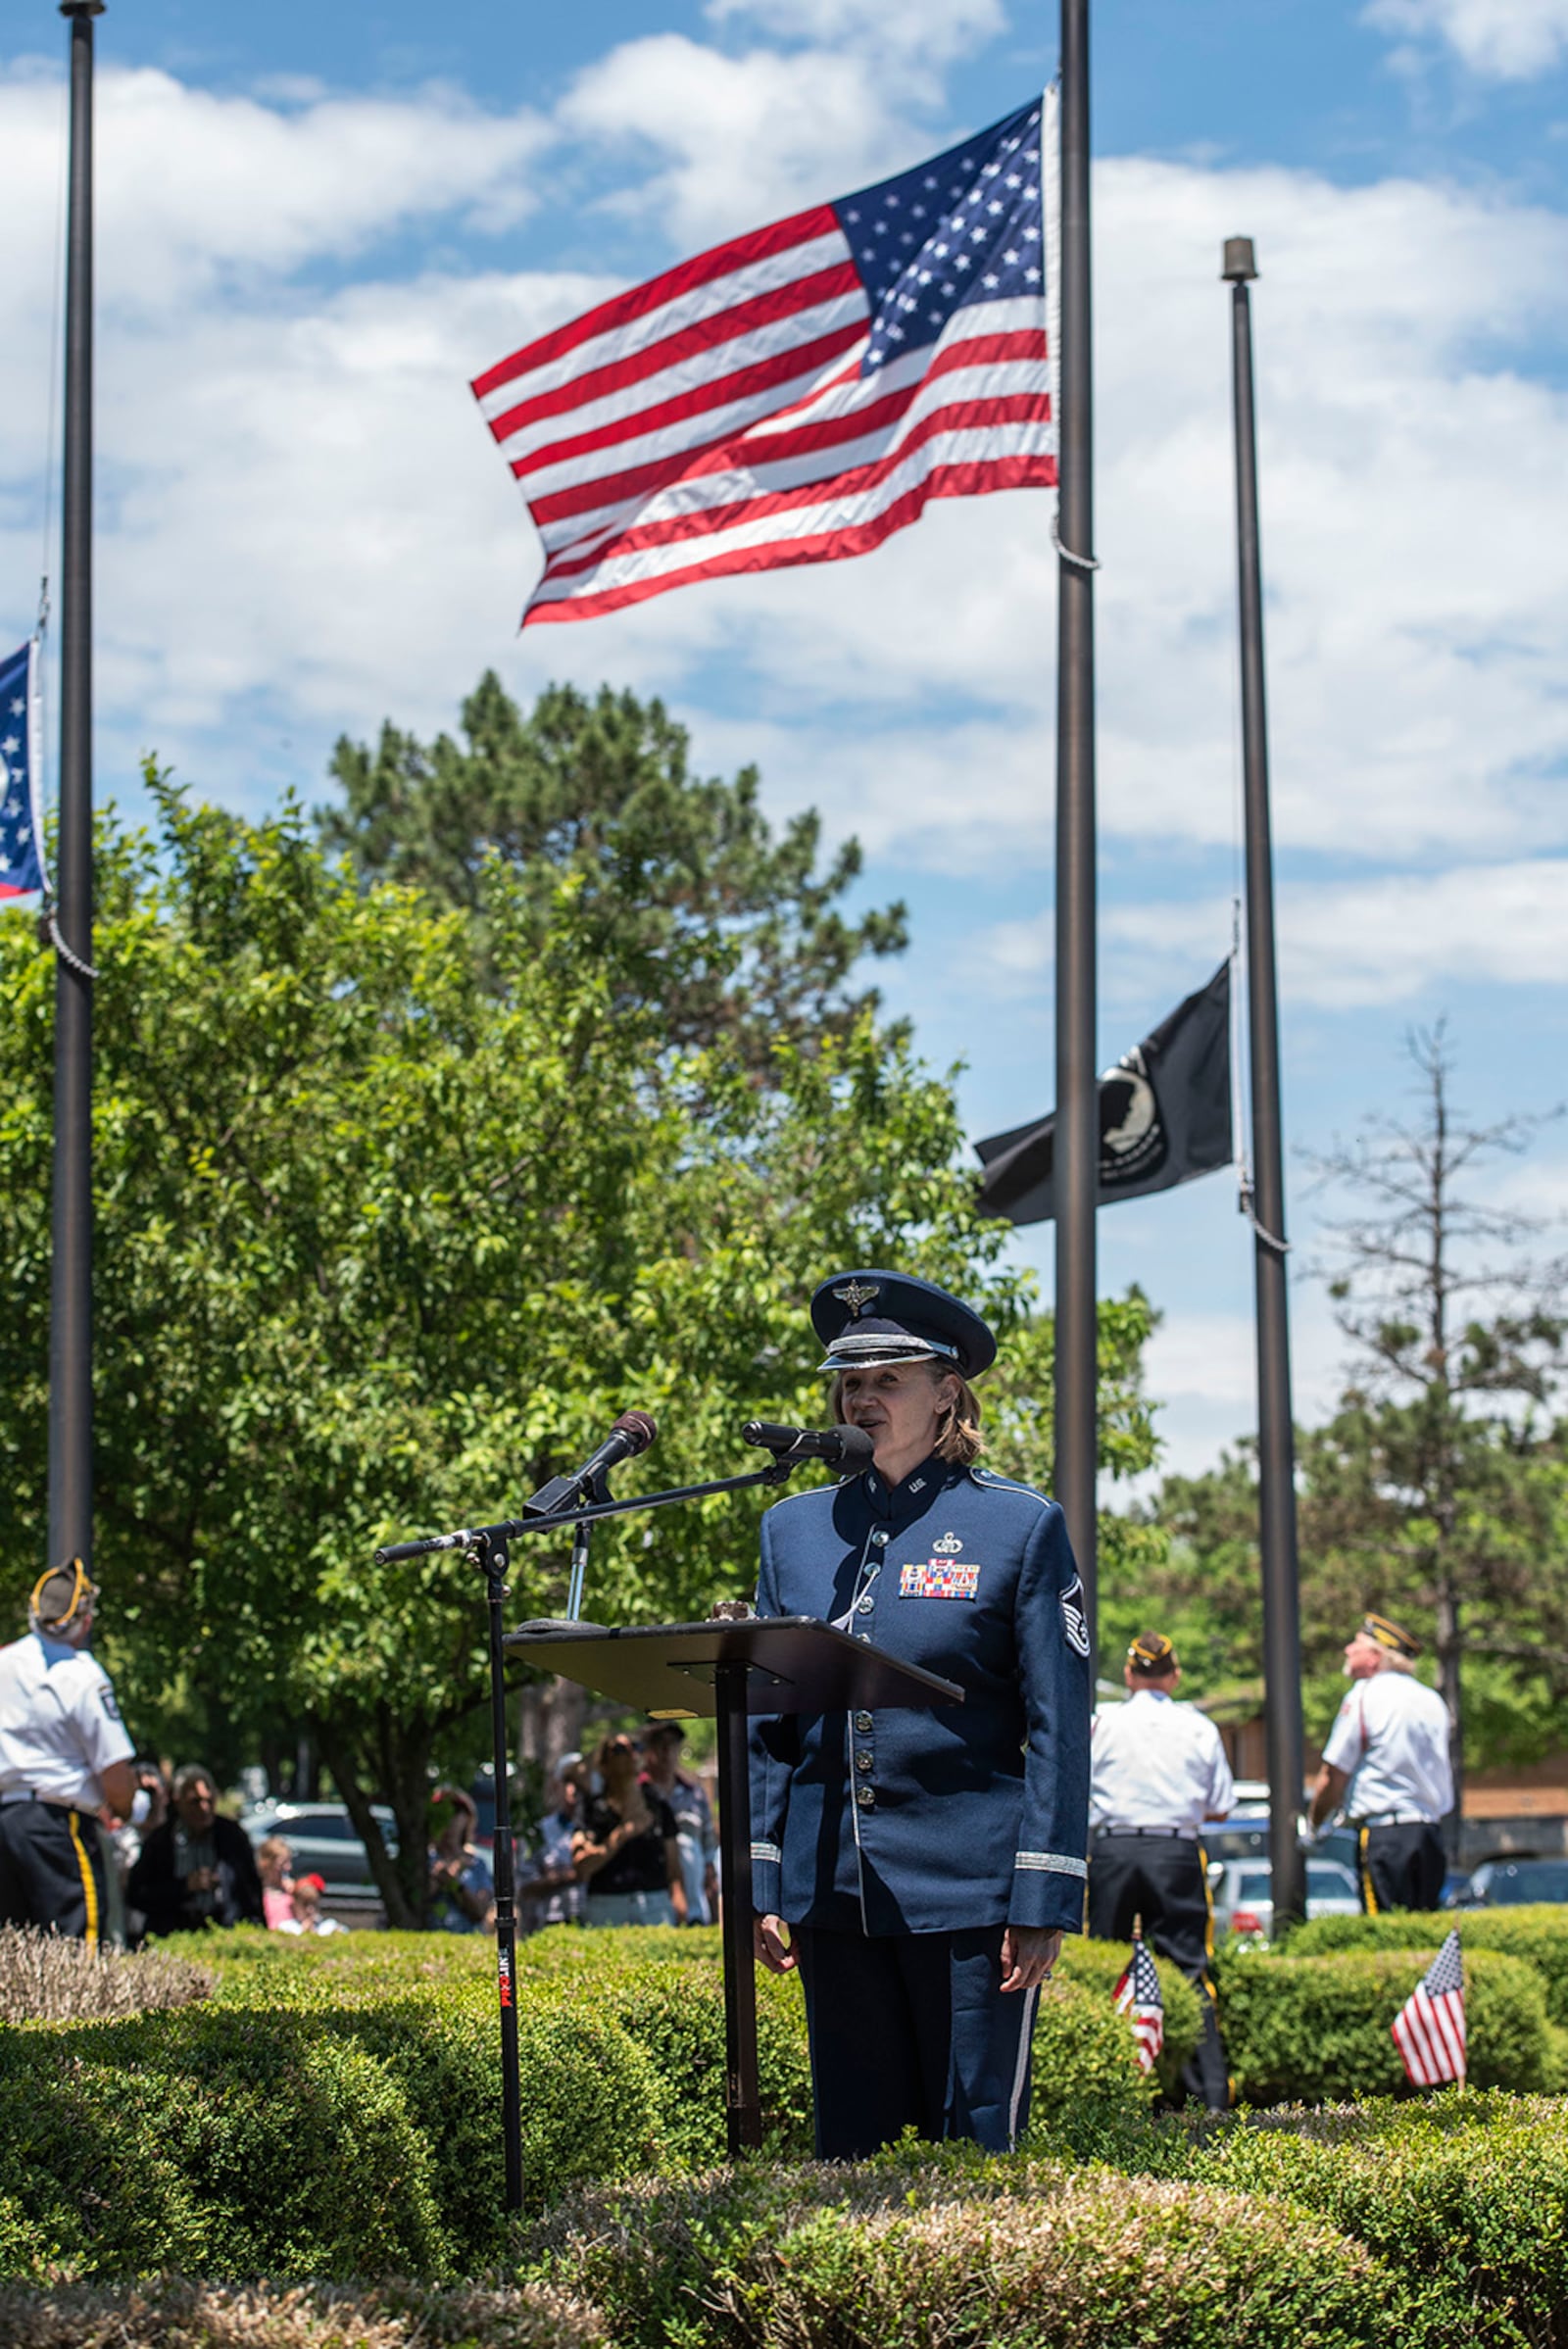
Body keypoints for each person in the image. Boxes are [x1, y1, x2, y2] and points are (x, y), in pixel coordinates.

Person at [751, 1269, 1091, 2161]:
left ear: (947, 1394)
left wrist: (1044, 1890)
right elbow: (767, 1728)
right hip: (833, 1895)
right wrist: (758, 1875)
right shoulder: (791, 1530)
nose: (862, 1398)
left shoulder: (1019, 1526)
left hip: (972, 1900)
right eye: (850, 1382)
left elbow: (1060, 1721)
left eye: (887, 1379)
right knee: (849, 2155)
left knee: (973, 2152)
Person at [1087, 1632, 1234, 2110]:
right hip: (1175, 1852)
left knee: (1106, 1965)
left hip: (1114, 1850)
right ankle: (1209, 2098)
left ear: (1129, 1675)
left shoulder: (1102, 1722)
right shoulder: (1198, 1726)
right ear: (1174, 1675)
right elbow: (1221, 1807)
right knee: (1189, 1970)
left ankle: (1105, 2095)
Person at [0, 1561, 138, 1941]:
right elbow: (115, 1775)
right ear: (84, 1621)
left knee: (10, 1953)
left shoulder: (3, 1663)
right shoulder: (82, 1674)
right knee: (76, 1946)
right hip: (60, 1826)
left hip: (6, 1819)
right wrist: (125, 1808)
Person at [1308, 1613, 1453, 1913]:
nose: (1348, 1650)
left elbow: (1333, 1773)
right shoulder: (1430, 1699)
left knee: (1384, 1932)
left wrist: (1313, 1824)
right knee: (1425, 1933)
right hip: (1430, 1833)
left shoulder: (1364, 1695)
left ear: (1375, 1657)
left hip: (1385, 1836)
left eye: (1356, 1644)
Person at [126, 1763, 267, 1937]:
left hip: (225, 1933)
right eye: (195, 1801)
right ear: (178, 1801)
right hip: (175, 1935)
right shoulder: (160, 1841)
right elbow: (137, 1894)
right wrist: (185, 1886)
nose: (204, 1808)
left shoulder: (232, 1836)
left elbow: (251, 1893)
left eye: (209, 1800)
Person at [572, 1732, 686, 1927]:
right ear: (604, 1764)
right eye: (619, 1749)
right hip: (605, 1906)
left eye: (636, 1746)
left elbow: (674, 1870)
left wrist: (681, 1912)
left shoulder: (657, 1805)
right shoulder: (591, 1809)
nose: (630, 1753)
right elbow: (582, 1867)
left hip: (655, 1906)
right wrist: (623, 1833)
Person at [640, 1722, 718, 1926]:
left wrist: (711, 1884)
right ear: (648, 1748)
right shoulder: (637, 1793)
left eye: (672, 1745)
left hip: (693, 1899)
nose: (666, 1752)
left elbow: (708, 1843)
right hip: (650, 1902)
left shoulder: (694, 1794)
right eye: (660, 1744)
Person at [518, 1761, 584, 1931]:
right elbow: (524, 1887)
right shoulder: (539, 1832)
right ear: (557, 1787)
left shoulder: (603, 1829)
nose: (574, 1790)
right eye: (568, 1782)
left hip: (595, 1920)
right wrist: (569, 1876)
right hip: (551, 1922)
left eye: (581, 1782)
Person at [428, 1786, 497, 1933]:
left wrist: (456, 1884)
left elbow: (480, 1911)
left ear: (467, 1818)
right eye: (443, 1810)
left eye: (457, 1811)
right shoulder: (424, 1860)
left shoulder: (476, 1864)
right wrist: (436, 1879)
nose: (451, 1819)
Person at [276, 1871, 348, 1935]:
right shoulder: (286, 1927)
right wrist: (303, 1931)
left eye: (314, 1904)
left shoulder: (329, 1926)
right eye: (305, 1904)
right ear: (295, 1905)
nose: (310, 1909)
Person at [256, 1834, 296, 1930]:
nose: (288, 1867)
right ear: (266, 1864)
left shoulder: (292, 1890)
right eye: (282, 1863)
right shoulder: (256, 1892)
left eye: (289, 1862)